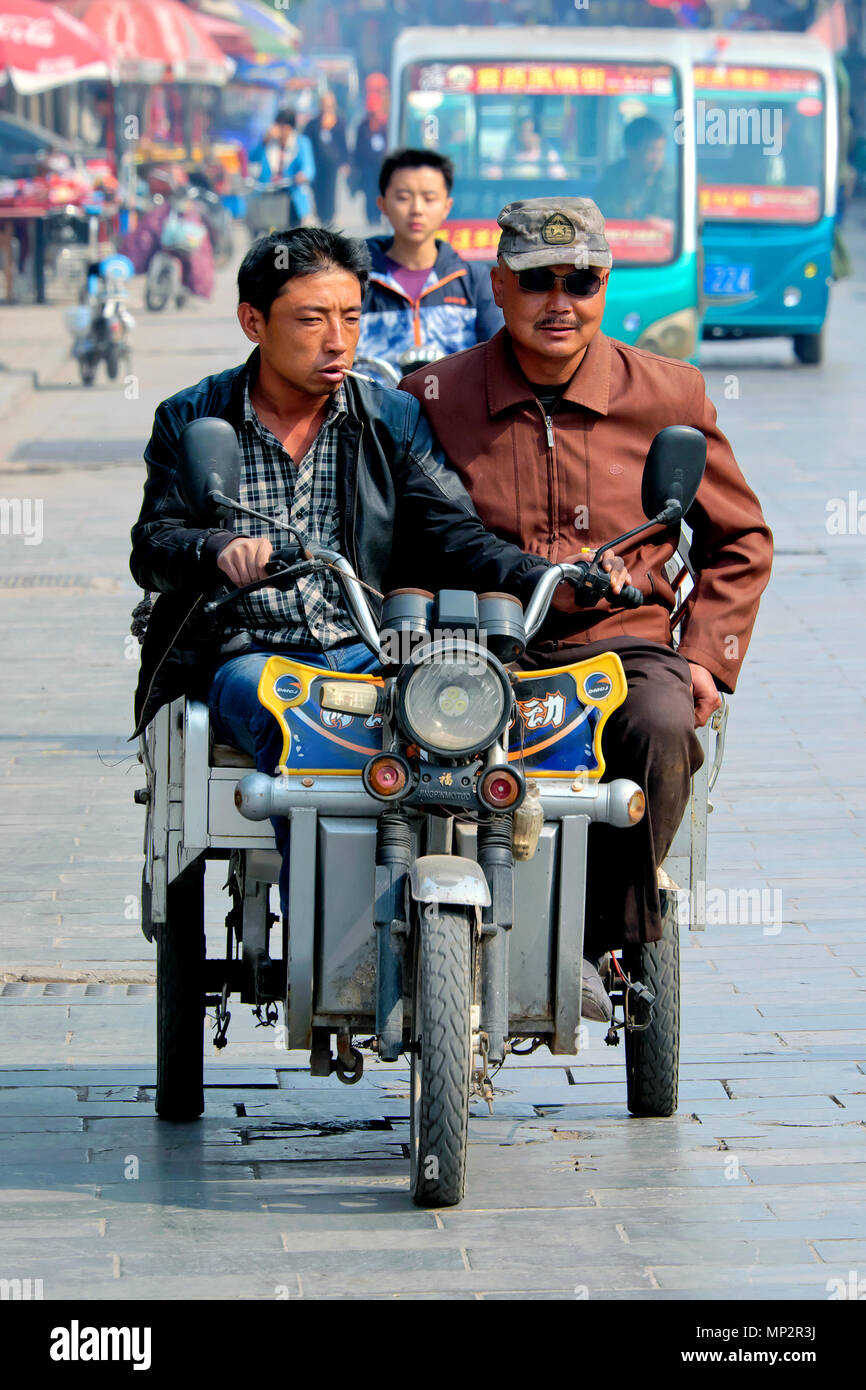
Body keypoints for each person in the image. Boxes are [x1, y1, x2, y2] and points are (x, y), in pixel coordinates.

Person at [129, 227, 625, 927]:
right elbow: (153, 543)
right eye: (312, 319)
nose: (338, 339)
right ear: (253, 321)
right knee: (298, 728)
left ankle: (511, 929)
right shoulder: (192, 418)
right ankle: (331, 934)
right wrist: (216, 549)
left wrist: (551, 573)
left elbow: (456, 530)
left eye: (352, 317)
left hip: (370, 646)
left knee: (478, 714)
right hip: (247, 656)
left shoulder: (388, 415)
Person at [400, 196, 773, 1022]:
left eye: (582, 280)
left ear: (607, 285)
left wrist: (708, 656)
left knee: (665, 725)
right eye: (537, 281)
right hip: (476, 648)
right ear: (499, 284)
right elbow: (395, 541)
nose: (559, 301)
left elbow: (741, 541)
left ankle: (608, 938)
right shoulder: (431, 395)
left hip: (619, 643)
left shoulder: (669, 394)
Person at [356, 148, 504, 365]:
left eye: (429, 198)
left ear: (447, 207)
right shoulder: (357, 280)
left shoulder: (475, 282)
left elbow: (498, 360)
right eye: (403, 197)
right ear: (383, 204)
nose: (417, 209)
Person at [594, 115, 676, 222]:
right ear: (631, 151)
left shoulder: (674, 182)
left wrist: (667, 226)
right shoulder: (612, 178)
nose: (657, 158)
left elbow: (690, 224)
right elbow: (598, 221)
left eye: (660, 151)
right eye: (651, 150)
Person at [249, 109, 316, 223]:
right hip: (268, 194)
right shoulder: (269, 143)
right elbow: (252, 158)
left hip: (292, 196)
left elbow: (309, 168)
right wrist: (265, 140)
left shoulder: (301, 143)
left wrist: (302, 175)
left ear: (289, 128)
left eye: (282, 126)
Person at [305, 90, 350, 225]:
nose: (326, 107)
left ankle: (329, 218)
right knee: (318, 191)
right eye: (324, 104)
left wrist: (345, 162)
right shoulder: (312, 124)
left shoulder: (339, 123)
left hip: (332, 165)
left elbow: (344, 144)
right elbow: (306, 143)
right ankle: (320, 216)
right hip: (316, 164)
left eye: (329, 104)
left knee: (330, 191)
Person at [350, 73, 390, 225]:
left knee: (382, 191)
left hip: (382, 165)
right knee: (369, 191)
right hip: (367, 166)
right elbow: (357, 147)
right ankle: (371, 217)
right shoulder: (363, 126)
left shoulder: (385, 125)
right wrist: (354, 165)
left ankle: (380, 215)